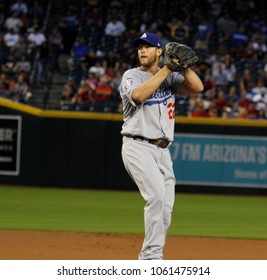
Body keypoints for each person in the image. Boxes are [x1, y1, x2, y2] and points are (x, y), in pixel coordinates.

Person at [119, 32, 203, 260]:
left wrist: (183, 67)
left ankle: (153, 254)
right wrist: (167, 68)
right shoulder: (131, 75)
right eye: (140, 47)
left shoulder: (171, 78)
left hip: (163, 151)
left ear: (159, 51)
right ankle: (151, 258)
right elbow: (138, 95)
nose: (142, 50)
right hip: (137, 145)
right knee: (156, 196)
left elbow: (197, 87)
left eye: (148, 47)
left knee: (165, 206)